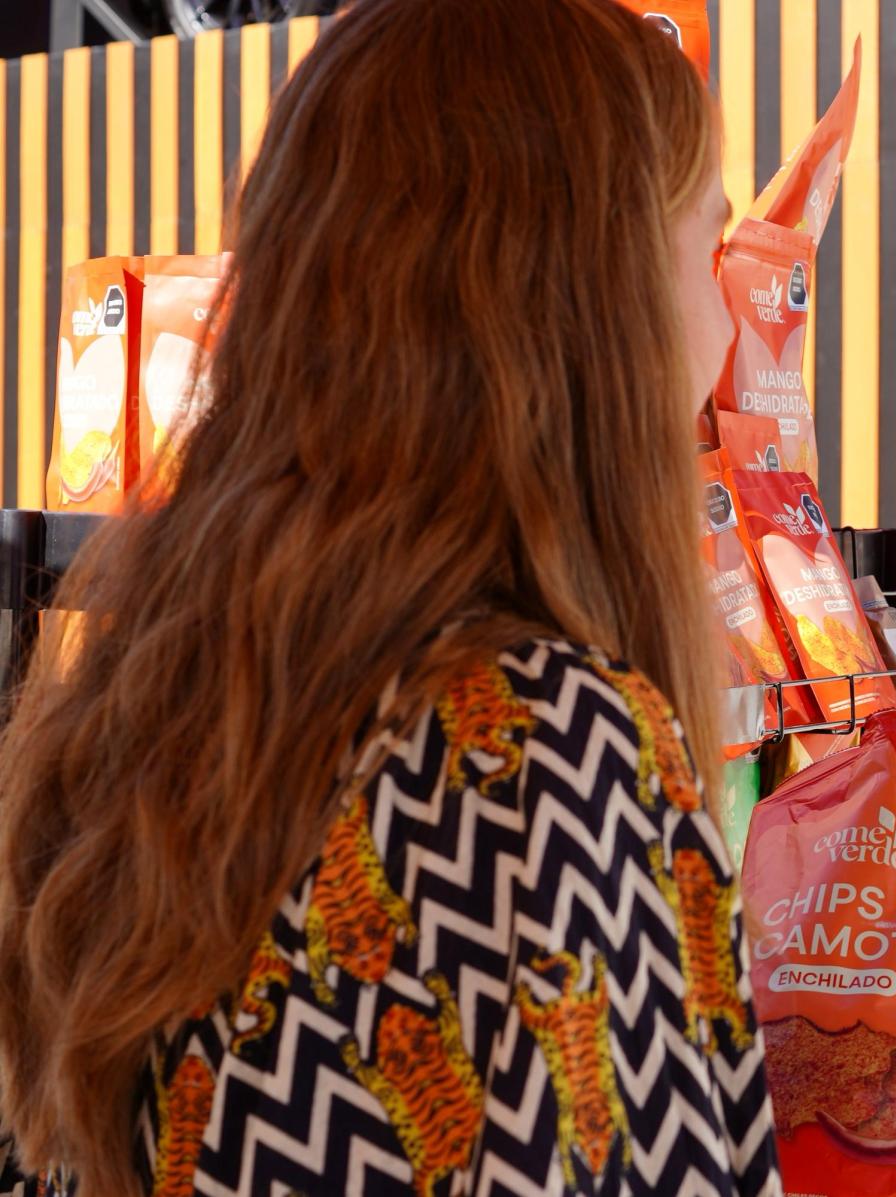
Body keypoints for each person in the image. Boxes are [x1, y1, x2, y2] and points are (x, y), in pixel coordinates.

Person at [0, 2, 779, 1194]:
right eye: (706, 249)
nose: (725, 332)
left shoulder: (170, 698)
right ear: (591, 302)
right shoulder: (533, 742)